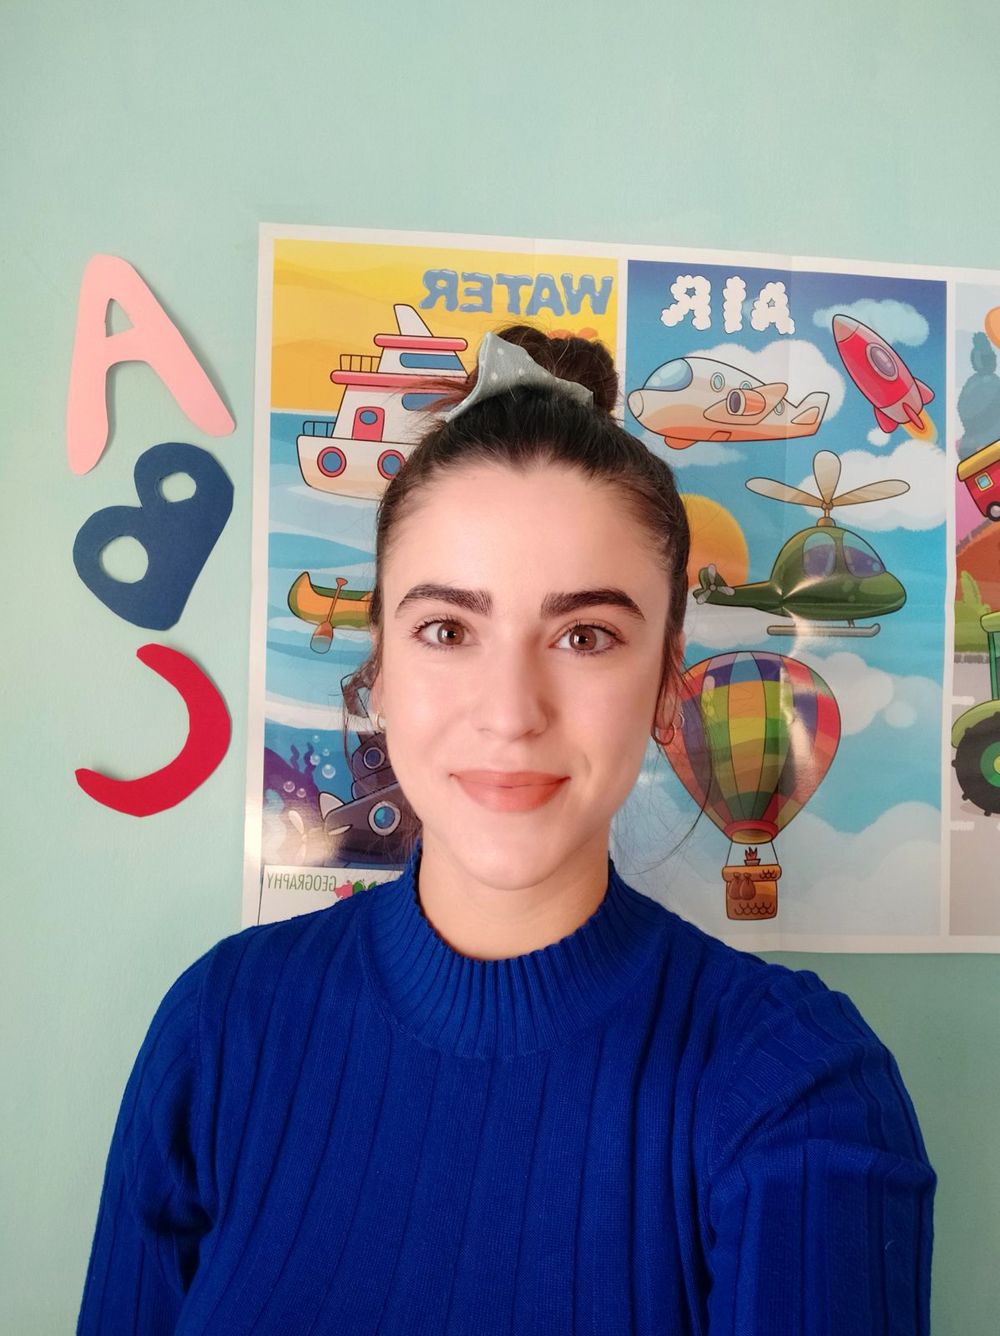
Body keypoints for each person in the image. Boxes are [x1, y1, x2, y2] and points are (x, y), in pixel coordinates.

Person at [78, 326, 936, 1334]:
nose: (510, 711)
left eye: (585, 635)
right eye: (447, 629)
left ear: (668, 679)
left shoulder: (800, 1089)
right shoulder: (218, 1030)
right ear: (380, 668)